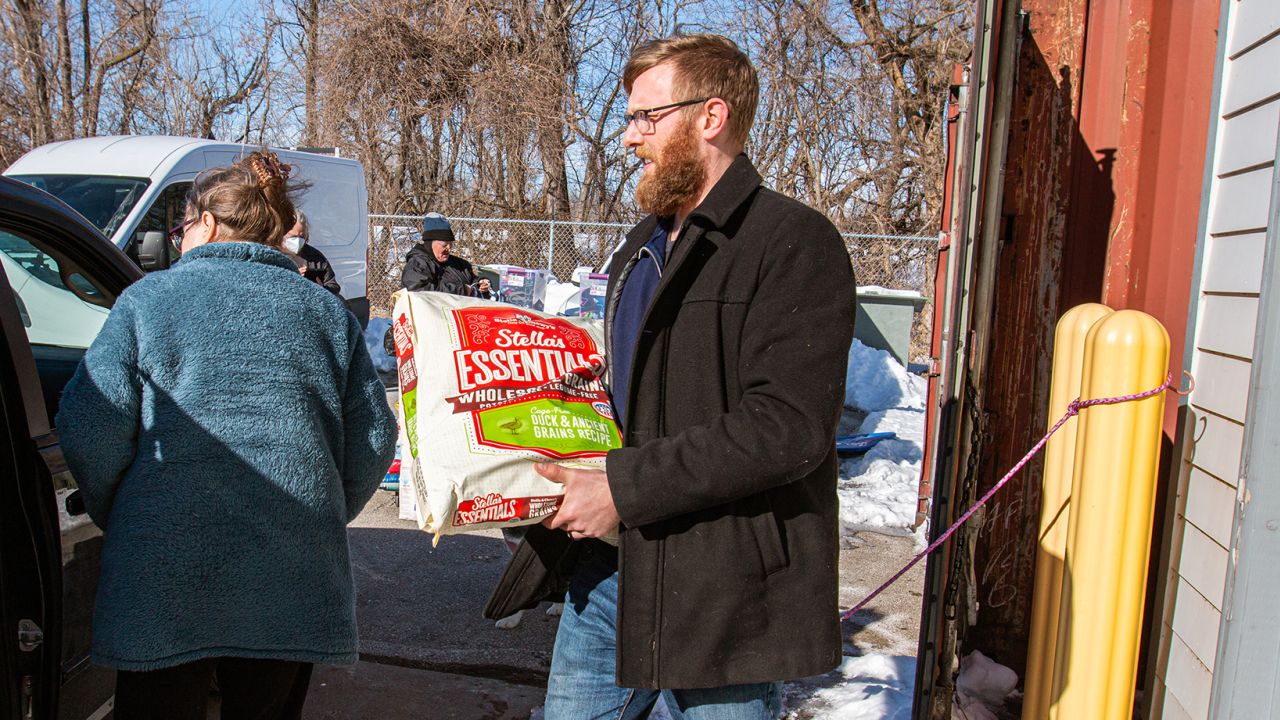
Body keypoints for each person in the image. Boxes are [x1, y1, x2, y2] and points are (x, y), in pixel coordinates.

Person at [486, 34, 857, 719]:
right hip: (609, 582)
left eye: (645, 118)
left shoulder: (793, 242)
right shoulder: (642, 245)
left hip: (725, 596)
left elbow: (786, 427)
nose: (629, 139)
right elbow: (645, 396)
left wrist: (622, 490)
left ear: (710, 117)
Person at [55, 151, 398, 720]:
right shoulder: (324, 312)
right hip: (290, 570)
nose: (179, 237)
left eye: (181, 225)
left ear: (207, 223)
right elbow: (371, 440)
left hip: (165, 567)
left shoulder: (148, 301)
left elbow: (89, 422)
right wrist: (319, 511)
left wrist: (126, 510)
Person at [399, 212, 492, 297]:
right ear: (430, 243)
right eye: (444, 245)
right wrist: (462, 290)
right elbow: (417, 291)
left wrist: (480, 283)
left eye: (451, 244)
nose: (449, 248)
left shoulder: (458, 264)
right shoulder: (418, 263)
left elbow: (471, 281)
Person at [283, 209, 342, 296]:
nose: (298, 240)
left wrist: (322, 289)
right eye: (293, 236)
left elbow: (333, 285)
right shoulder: (274, 254)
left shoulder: (315, 256)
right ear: (283, 233)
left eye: (302, 236)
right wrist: (292, 278)